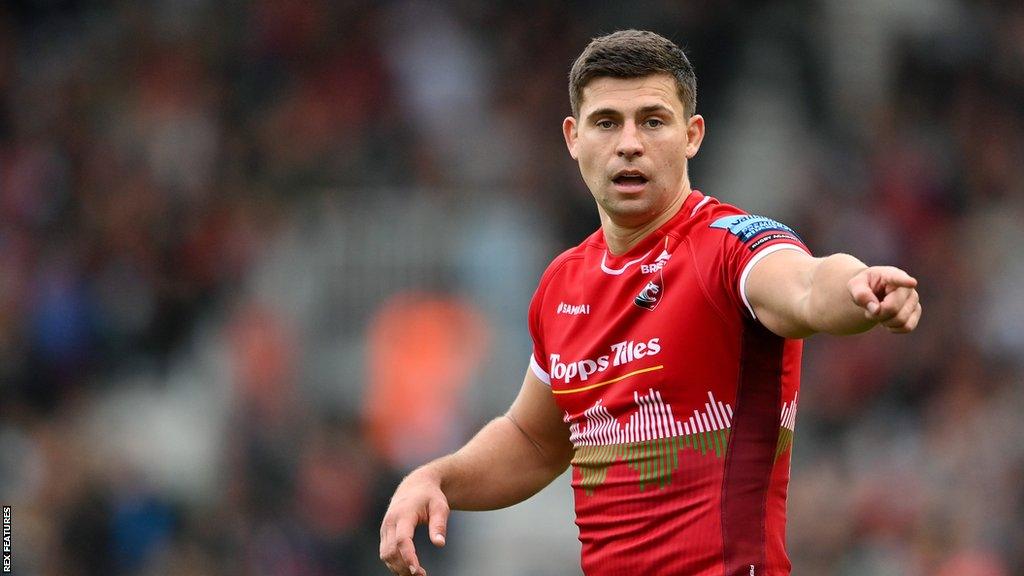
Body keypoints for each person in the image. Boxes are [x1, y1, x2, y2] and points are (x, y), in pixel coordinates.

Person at [378, 29, 921, 576]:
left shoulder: (731, 247)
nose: (629, 143)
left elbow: (805, 284)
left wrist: (859, 288)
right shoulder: (562, 284)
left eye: (653, 121)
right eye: (607, 122)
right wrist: (435, 478)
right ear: (573, 137)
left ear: (692, 135)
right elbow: (535, 441)